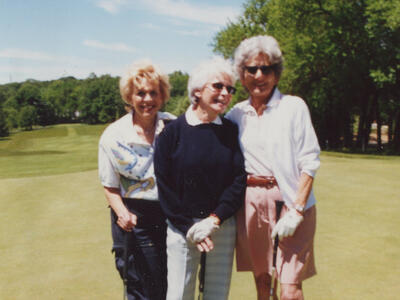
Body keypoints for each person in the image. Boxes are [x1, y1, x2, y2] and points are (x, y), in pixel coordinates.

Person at [226, 35, 321, 300]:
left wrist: (297, 210)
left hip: (291, 203)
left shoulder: (293, 107)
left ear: (276, 74)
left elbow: (310, 160)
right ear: (242, 75)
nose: (259, 75)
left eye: (266, 69)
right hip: (251, 203)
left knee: (290, 289)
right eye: (251, 69)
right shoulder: (236, 115)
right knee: (263, 283)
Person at [154, 57, 247, 300]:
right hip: (182, 228)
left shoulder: (229, 131)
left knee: (217, 295)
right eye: (218, 86)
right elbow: (165, 188)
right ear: (197, 91)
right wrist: (189, 227)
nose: (225, 93)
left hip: (220, 226)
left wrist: (214, 219)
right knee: (178, 295)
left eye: (230, 89)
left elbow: (237, 180)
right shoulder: (171, 133)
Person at [98, 59, 175, 300]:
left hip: (170, 217)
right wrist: (122, 213)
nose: (148, 99)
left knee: (168, 286)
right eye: (141, 93)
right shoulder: (114, 135)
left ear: (162, 95)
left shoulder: (173, 125)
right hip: (133, 217)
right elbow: (110, 186)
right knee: (140, 287)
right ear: (130, 96)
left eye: (154, 93)